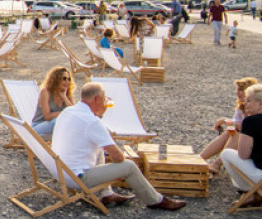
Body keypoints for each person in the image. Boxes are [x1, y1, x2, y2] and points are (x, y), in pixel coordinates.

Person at [51, 82, 186, 210]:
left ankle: (107, 194)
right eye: (104, 100)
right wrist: (119, 170)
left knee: (99, 148)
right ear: (97, 99)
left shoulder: (68, 111)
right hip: (76, 177)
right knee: (129, 167)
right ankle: (155, 200)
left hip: (58, 170)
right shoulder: (93, 122)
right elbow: (118, 157)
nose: (105, 104)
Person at [199, 77, 259, 177]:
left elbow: (247, 128)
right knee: (230, 132)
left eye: (241, 90)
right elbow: (235, 123)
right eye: (238, 90)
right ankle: (199, 159)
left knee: (237, 132)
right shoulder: (242, 106)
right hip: (247, 141)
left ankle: (216, 164)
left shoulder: (260, 108)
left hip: (257, 145)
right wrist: (230, 123)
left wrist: (226, 120)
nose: (238, 93)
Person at [31, 66, 75, 138]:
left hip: (57, 125)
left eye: (69, 79)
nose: (67, 81)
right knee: (57, 122)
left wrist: (64, 97)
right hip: (38, 126)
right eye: (64, 79)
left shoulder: (67, 93)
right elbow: (47, 117)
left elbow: (73, 113)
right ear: (56, 79)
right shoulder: (45, 92)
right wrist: (64, 113)